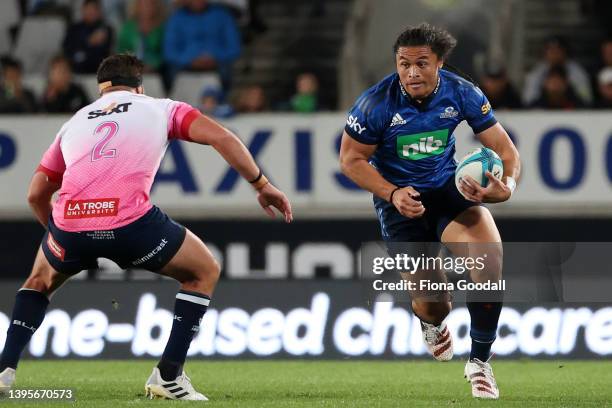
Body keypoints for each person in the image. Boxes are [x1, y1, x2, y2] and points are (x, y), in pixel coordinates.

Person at [0, 54, 292, 400]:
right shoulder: (161, 108)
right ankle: (168, 375)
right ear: (140, 86)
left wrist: (62, 235)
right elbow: (223, 138)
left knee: (39, 279)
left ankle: (5, 371)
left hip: (70, 225)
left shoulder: (76, 121)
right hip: (130, 226)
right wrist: (261, 185)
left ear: (101, 89)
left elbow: (36, 194)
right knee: (204, 270)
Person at [339, 24, 520, 400]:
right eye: (404, 64)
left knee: (489, 258)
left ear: (440, 63)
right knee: (434, 304)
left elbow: (505, 149)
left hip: (447, 192)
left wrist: (508, 186)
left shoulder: (461, 92)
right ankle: (431, 323)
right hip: (401, 205)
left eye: (422, 63)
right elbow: (351, 160)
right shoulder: (375, 104)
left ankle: (480, 363)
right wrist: (391, 193)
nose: (412, 72)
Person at [163, 0, 241, 90]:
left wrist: (214, 58)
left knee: (226, 71)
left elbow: (234, 47)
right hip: (185, 64)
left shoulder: (222, 15)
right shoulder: (176, 18)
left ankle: (222, 102)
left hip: (217, 63)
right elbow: (169, 51)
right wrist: (190, 60)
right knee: (171, 70)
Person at [522, 36, 592, 106]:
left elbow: (586, 99)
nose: (554, 54)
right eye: (551, 50)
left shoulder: (577, 73)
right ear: (545, 53)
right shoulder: (537, 73)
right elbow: (528, 100)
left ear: (564, 52)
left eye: (558, 50)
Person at [63, 0, 114, 74]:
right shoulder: (74, 29)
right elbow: (68, 50)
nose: (91, 12)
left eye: (94, 9)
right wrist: (89, 42)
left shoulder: (106, 29)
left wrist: (84, 49)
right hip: (76, 71)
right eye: (88, 9)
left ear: (99, 11)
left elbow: (104, 53)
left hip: (99, 72)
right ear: (83, 10)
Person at [117, 0, 166, 73]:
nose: (146, 8)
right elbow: (120, 51)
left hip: (155, 71)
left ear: (155, 7)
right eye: (142, 4)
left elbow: (163, 53)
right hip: (129, 69)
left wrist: (153, 65)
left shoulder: (161, 28)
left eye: (149, 4)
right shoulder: (128, 27)